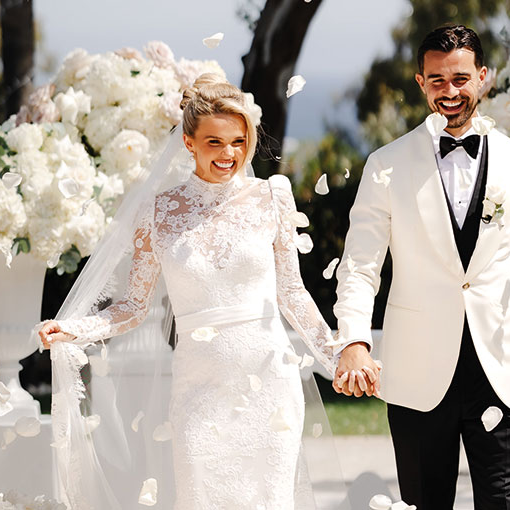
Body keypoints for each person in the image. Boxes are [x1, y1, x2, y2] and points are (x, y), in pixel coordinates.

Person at [37, 74, 372, 509]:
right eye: (214, 142)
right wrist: (73, 329)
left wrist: (337, 358)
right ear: (189, 143)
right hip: (198, 390)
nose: (229, 154)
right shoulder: (157, 212)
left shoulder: (272, 197)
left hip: (269, 384)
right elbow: (134, 307)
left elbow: (292, 293)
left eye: (238, 141)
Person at [332, 25, 510, 509]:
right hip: (418, 372)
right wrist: (354, 339)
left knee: (505, 504)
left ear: (483, 78)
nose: (449, 92)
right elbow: (359, 264)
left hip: (505, 365)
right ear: (420, 82)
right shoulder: (385, 165)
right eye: (437, 80)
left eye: (460, 78)